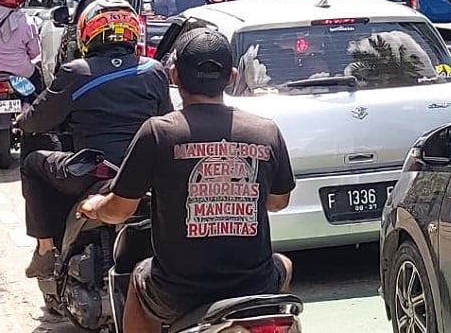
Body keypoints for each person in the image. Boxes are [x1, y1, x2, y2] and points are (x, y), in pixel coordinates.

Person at [80, 28, 296, 333]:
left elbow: (119, 211)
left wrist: (96, 207)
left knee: (140, 275)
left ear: (173, 74)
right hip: (253, 286)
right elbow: (278, 201)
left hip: (177, 293)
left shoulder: (159, 132)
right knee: (283, 265)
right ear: (232, 76)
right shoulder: (266, 131)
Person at [16, 0, 172, 279]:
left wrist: (21, 120)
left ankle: (45, 250)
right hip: (146, 171)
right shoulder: (153, 70)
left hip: (91, 171)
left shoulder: (76, 72)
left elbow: (37, 121)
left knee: (31, 163)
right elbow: (166, 120)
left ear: (87, 34)